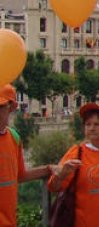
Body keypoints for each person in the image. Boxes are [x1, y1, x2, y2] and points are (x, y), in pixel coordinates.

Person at [0, 85, 54, 227]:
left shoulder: (14, 137)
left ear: (10, 108)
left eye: (0, 107)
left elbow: (20, 175)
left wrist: (49, 169)